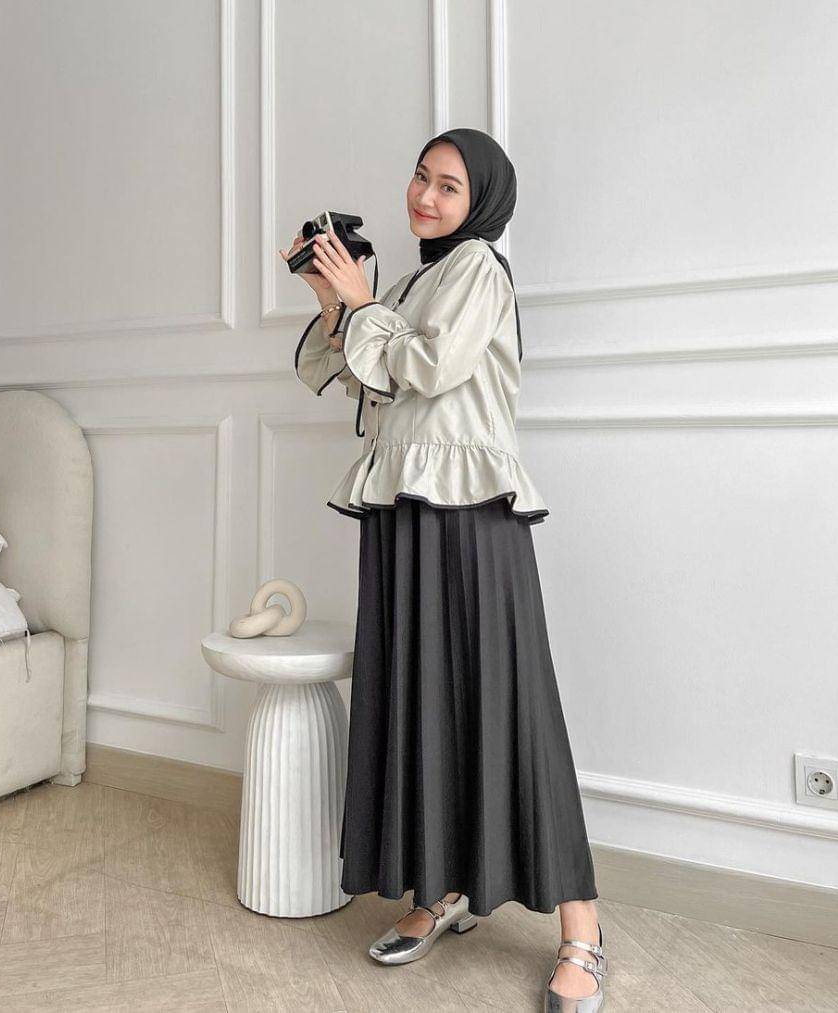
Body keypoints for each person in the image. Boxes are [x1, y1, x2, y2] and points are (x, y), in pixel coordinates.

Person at [280, 128, 608, 1011]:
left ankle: (583, 930)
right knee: (419, 701)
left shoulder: (479, 270)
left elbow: (429, 367)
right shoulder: (412, 283)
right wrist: (335, 299)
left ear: (482, 199)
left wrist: (364, 305)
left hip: (471, 514)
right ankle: (442, 888)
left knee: (513, 705)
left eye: (449, 186)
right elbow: (353, 378)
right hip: (401, 510)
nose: (424, 196)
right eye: (421, 177)